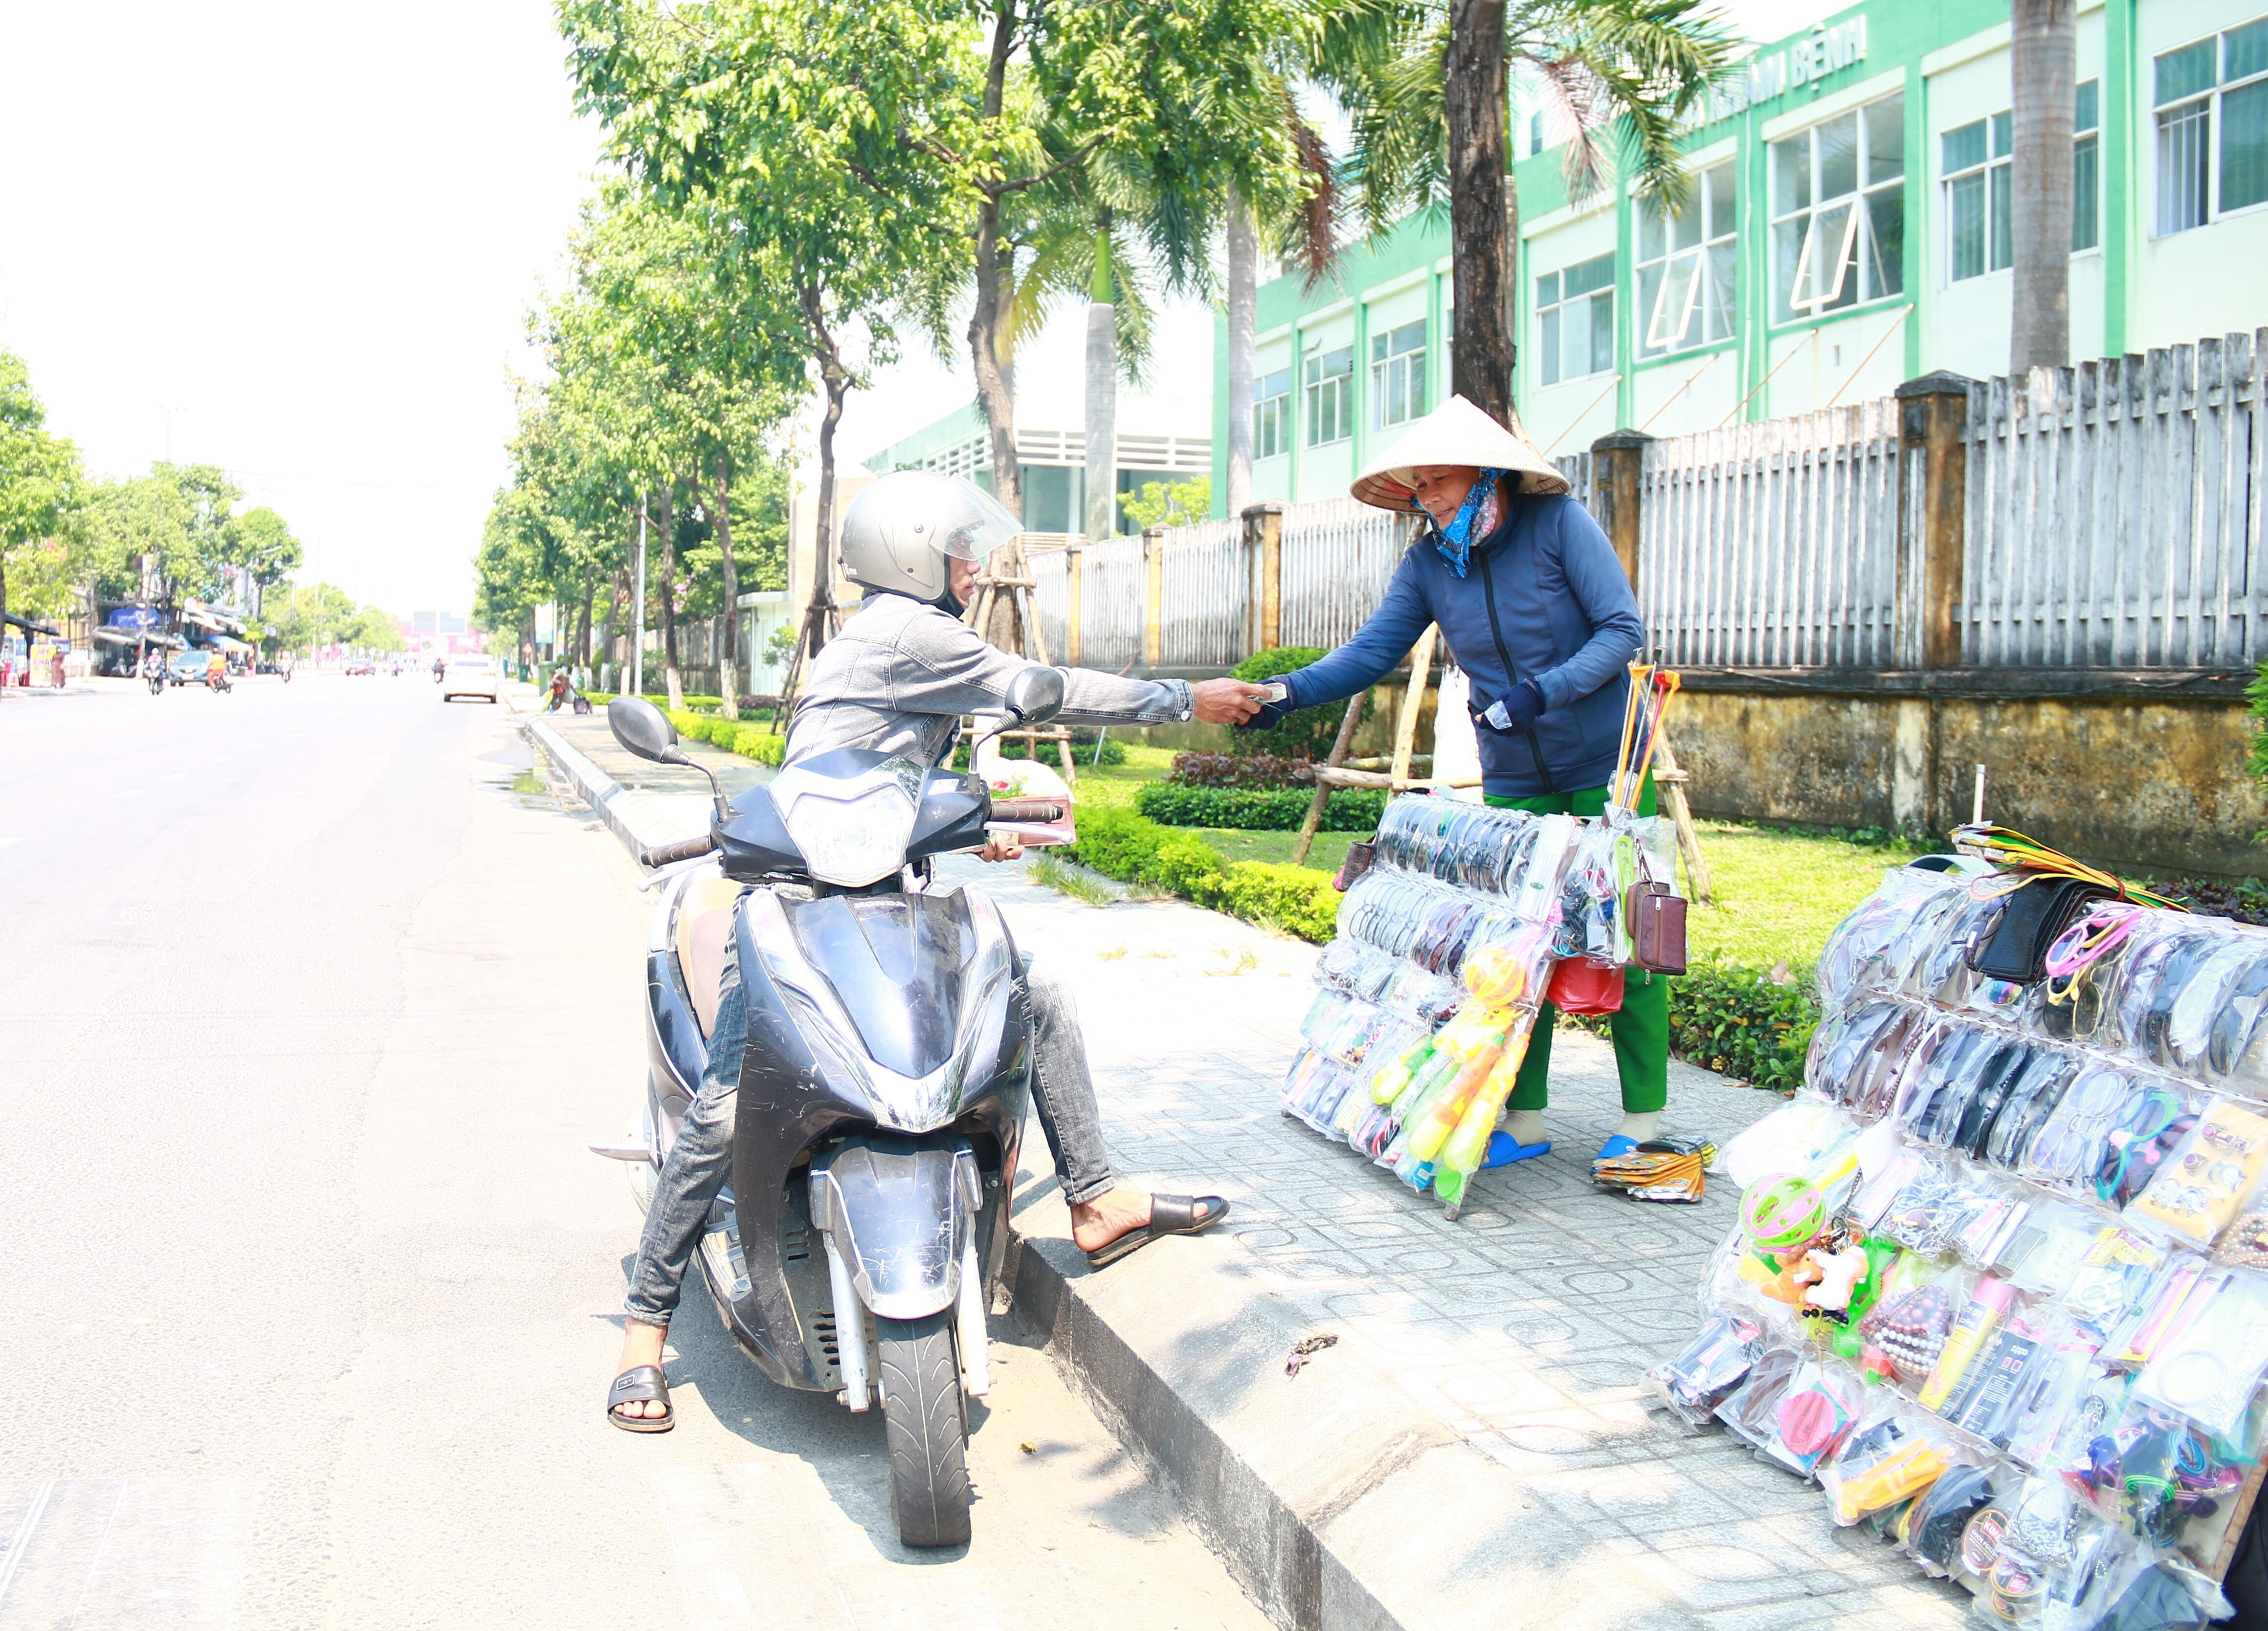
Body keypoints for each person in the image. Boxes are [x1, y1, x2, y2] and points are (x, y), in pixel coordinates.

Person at [606, 469, 1274, 1429]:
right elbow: (1041, 687)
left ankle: (1092, 1198)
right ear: (913, 557)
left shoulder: (881, 637)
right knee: (722, 1101)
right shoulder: (912, 631)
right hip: (799, 898)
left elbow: (874, 775)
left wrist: (955, 825)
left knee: (1033, 987)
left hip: (875, 887)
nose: (971, 568)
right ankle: (645, 1329)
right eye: (958, 552)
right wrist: (1185, 700)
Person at [1244, 394, 1664, 1170]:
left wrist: (1546, 690)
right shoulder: (1430, 562)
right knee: (1514, 957)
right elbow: (1373, 651)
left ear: (1487, 476)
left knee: (1623, 944)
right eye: (1419, 486)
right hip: (1512, 775)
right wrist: (1284, 695)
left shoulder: (1558, 527)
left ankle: (1643, 1120)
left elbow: (1622, 631)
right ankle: (1527, 1120)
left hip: (1602, 763)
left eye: (1440, 481)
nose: (1427, 497)